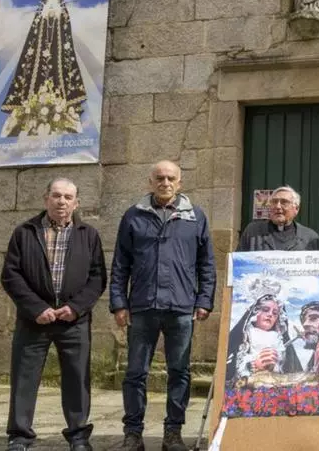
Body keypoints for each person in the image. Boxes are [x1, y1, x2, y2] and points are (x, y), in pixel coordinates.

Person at [109, 160, 216, 451]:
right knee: (135, 373)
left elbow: (206, 264)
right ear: (150, 182)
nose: (165, 183)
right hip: (142, 306)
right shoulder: (133, 216)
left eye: (170, 178)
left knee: (179, 372)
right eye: (159, 178)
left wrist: (204, 300)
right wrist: (119, 303)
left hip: (181, 308)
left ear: (180, 183)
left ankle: (173, 433)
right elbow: (120, 264)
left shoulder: (196, 217)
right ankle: (133, 433)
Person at [1, 178, 106, 451]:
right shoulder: (25, 232)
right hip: (34, 320)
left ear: (76, 203)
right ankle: (19, 436)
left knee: (77, 379)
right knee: (24, 378)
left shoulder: (88, 235)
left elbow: (97, 278)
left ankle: (78, 436)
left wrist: (76, 307)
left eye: (68, 197)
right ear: (45, 198)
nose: (62, 202)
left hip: (74, 321)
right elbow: (11, 275)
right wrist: (37, 308)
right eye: (56, 195)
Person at [0, 0, 86, 137]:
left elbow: (65, 29)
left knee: (58, 71)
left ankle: (63, 107)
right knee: (35, 70)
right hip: (41, 48)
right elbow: (36, 29)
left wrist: (58, 15)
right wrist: (46, 16)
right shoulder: (42, 9)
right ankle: (28, 104)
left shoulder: (62, 9)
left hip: (57, 49)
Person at [225, 294, 301, 380]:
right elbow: (233, 365)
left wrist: (274, 366)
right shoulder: (246, 335)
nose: (270, 314)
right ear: (256, 312)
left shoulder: (277, 339)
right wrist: (252, 365)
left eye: (275, 313)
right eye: (265, 310)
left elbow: (286, 367)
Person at [237, 185, 319, 251]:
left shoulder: (310, 237)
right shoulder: (253, 232)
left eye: (284, 202)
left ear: (296, 209)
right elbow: (239, 263)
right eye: (274, 202)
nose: (277, 206)